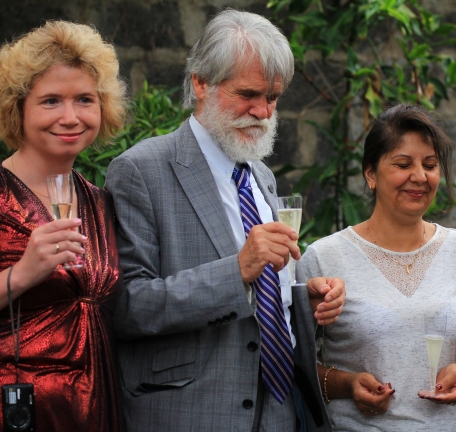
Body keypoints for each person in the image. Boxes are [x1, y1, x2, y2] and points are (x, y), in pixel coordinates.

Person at [105, 9, 344, 432]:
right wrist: (236, 271)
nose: (263, 111)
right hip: (191, 414)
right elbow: (126, 306)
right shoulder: (141, 169)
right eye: (248, 93)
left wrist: (302, 299)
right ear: (201, 83)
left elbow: (265, 294)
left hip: (280, 410)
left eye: (273, 97)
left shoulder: (261, 176)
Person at [298, 103, 456, 431]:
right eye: (403, 164)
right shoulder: (325, 258)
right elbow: (295, 362)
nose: (420, 177)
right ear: (370, 174)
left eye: (430, 165)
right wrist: (347, 384)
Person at [0, 21, 127, 431]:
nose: (70, 117)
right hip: (20, 414)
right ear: (17, 108)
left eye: (85, 100)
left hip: (98, 409)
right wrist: (22, 274)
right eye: (51, 101)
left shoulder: (102, 202)